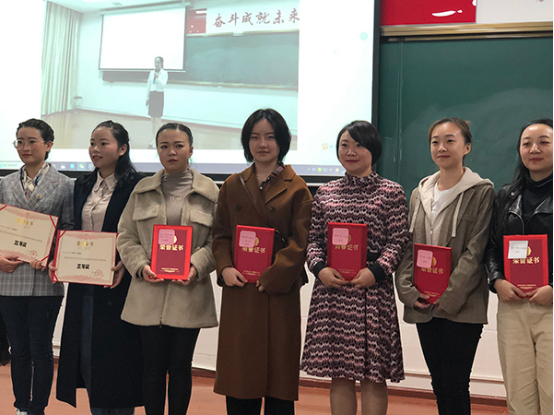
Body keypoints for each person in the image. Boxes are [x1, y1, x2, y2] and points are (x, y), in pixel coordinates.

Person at [302, 120, 408, 415]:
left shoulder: (391, 192)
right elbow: (313, 241)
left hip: (372, 291)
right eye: (344, 145)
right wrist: (320, 268)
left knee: (374, 376)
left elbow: (398, 241)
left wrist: (376, 271)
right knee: (339, 374)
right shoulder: (325, 192)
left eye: (359, 145)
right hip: (332, 291)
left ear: (373, 149)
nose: (351, 152)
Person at [212, 109, 313, 415]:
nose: (262, 144)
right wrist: (225, 267)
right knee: (240, 376)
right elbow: (220, 234)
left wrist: (271, 277)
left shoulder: (297, 187)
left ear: (282, 142)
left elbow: (301, 242)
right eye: (255, 137)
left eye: (270, 137)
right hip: (240, 290)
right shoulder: (232, 185)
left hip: (278, 292)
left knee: (278, 377)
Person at [396, 118, 496, 415]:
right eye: (435, 141)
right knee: (438, 384)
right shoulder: (419, 193)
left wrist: (449, 296)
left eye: (450, 140)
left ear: (467, 147)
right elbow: (408, 246)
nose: (442, 147)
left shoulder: (481, 191)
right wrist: (408, 291)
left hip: (461, 306)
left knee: (455, 384)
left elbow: (476, 251)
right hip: (424, 302)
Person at [117, 123, 219, 415]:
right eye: (164, 146)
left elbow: (218, 241)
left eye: (178, 145)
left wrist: (195, 266)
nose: (171, 151)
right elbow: (126, 235)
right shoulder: (142, 190)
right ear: (158, 150)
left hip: (189, 293)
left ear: (190, 149)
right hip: (148, 292)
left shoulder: (210, 191)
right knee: (151, 367)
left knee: (180, 366)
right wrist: (140, 266)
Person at [56, 121, 144, 414]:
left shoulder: (138, 186)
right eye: (92, 143)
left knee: (118, 358)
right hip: (83, 281)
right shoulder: (81, 185)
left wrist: (126, 262)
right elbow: (71, 228)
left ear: (122, 149)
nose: (95, 149)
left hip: (119, 283)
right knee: (87, 355)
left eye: (103, 143)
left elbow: (143, 233)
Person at [0, 119, 74, 415]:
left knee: (41, 350)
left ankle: (37, 408)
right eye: (20, 141)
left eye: (32, 141)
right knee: (18, 349)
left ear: (48, 145)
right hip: (9, 277)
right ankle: (21, 406)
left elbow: (69, 229)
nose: (25, 147)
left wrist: (52, 255)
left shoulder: (66, 185)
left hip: (45, 280)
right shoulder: (4, 184)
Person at [485, 119, 553, 415]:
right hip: (513, 306)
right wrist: (497, 280)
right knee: (518, 396)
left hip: (550, 305)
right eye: (527, 143)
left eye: (543, 142)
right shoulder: (506, 195)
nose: (534, 149)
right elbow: (491, 247)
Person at [146, 56, 168, 147]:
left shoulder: (164, 73)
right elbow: (149, 85)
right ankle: (153, 139)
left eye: (158, 62)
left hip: (159, 96)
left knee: (158, 120)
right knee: (152, 120)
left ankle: (160, 139)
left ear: (162, 63)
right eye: (155, 62)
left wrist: (157, 78)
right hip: (152, 95)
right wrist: (147, 97)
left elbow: (163, 85)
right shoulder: (151, 73)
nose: (156, 64)